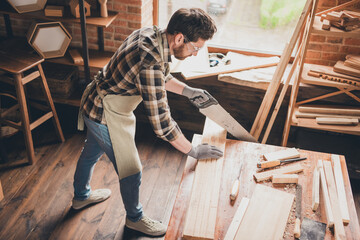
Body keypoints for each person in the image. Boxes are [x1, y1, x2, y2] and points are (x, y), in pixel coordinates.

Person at [72, 8, 223, 237]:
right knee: (131, 169)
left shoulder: (152, 34)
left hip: (100, 102)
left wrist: (189, 91)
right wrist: (192, 150)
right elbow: (162, 122)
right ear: (180, 38)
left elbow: (160, 76)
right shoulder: (150, 60)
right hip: (104, 113)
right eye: (196, 48)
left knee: (91, 152)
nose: (195, 54)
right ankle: (135, 219)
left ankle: (80, 197)